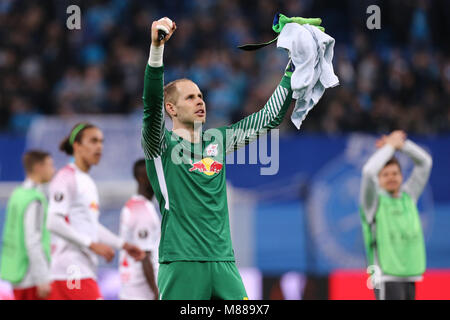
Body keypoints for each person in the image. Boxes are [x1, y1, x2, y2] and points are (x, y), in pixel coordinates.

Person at [141, 17, 299, 300]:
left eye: (200, 96)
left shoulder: (217, 140)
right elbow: (150, 108)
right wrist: (156, 49)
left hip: (224, 262)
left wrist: (292, 70)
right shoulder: (159, 145)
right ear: (171, 109)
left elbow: (268, 118)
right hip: (182, 262)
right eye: (190, 97)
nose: (200, 101)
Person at [46, 122, 145, 300]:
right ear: (77, 146)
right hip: (71, 269)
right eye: (93, 141)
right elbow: (53, 221)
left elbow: (90, 226)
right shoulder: (66, 177)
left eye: (101, 141)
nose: (99, 146)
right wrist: (91, 245)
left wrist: (123, 245)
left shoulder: (86, 181)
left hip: (81, 269)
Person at [359, 130, 433, 300]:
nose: (391, 178)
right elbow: (369, 172)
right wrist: (390, 147)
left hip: (409, 275)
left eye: (395, 173)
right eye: (385, 175)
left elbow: (425, 163)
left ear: (401, 176)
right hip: (385, 277)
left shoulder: (408, 197)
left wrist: (403, 145)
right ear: (379, 180)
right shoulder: (373, 203)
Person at [0, 150, 55, 300]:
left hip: (16, 271)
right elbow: (33, 241)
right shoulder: (34, 199)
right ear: (38, 167)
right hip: (31, 276)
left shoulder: (17, 194)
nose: (53, 170)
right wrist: (42, 278)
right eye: (50, 165)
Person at [118, 159, 161, 300]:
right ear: (142, 178)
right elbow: (144, 256)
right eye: (153, 174)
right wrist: (156, 292)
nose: (158, 179)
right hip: (141, 294)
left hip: (130, 290)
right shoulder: (142, 211)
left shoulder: (132, 205)